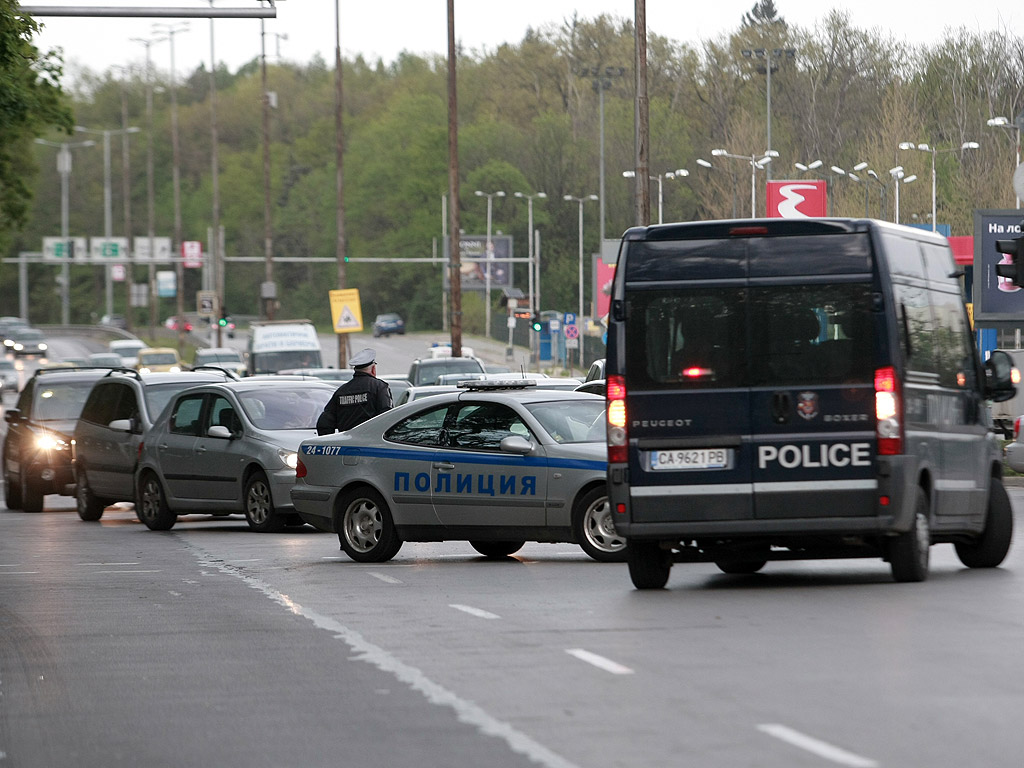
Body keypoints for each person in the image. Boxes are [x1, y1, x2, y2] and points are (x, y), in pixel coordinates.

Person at [315, 348, 392, 434]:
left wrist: (330, 441)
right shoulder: (379, 387)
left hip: (347, 443)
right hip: (371, 442)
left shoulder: (341, 391)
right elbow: (388, 416)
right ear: (373, 369)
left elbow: (325, 422)